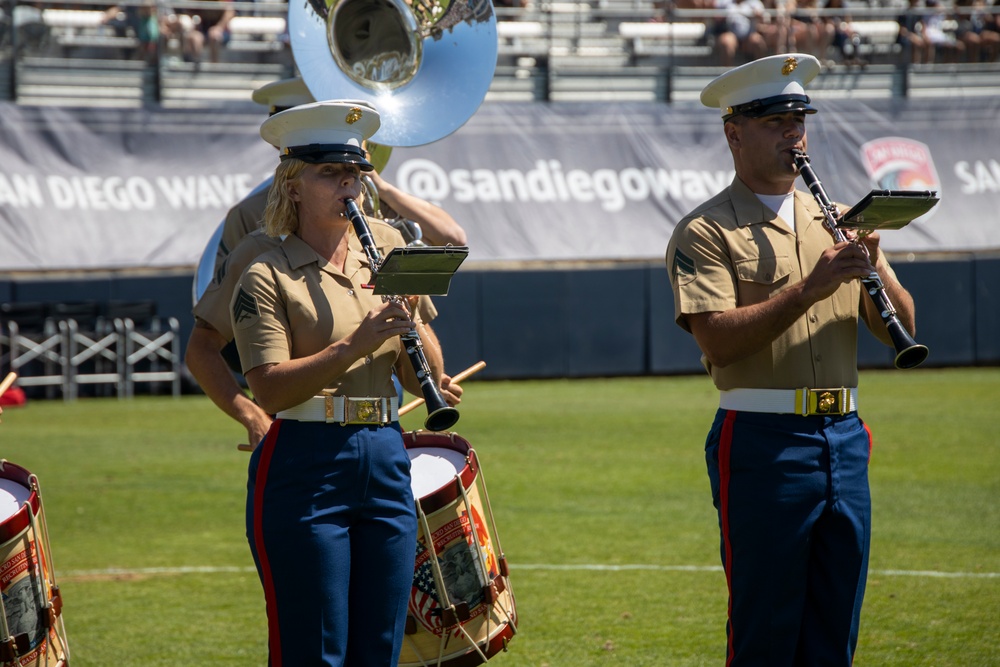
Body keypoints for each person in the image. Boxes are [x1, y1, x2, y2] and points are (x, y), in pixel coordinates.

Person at [665, 53, 920, 665]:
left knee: (835, 627)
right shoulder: (705, 230)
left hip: (844, 437)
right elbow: (718, 341)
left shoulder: (834, 221)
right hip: (762, 441)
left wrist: (873, 263)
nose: (793, 133)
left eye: (799, 119)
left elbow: (905, 329)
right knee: (766, 629)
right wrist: (810, 286)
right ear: (734, 132)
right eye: (774, 120)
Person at [232, 99, 462, 666]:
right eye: (329, 173)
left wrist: (414, 320)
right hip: (306, 461)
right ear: (293, 185)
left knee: (380, 650)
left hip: (385, 453)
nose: (348, 186)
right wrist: (353, 345)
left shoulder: (383, 250)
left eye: (355, 174)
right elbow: (271, 390)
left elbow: (420, 375)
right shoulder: (266, 271)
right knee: (314, 651)